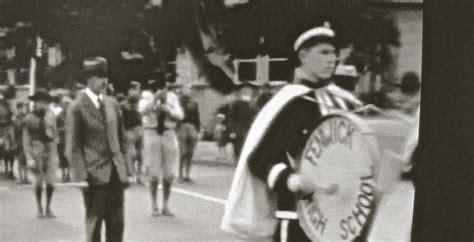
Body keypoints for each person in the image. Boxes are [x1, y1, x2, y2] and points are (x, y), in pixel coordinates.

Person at [221, 22, 363, 241]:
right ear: (303, 56)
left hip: (343, 221)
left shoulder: (345, 102)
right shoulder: (294, 103)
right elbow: (259, 160)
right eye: (324, 52)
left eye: (334, 53)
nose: (332, 58)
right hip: (300, 220)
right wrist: (290, 180)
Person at [66, 57, 131, 242]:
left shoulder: (112, 104)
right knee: (94, 225)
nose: (104, 81)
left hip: (116, 175)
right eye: (98, 76)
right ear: (88, 79)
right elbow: (74, 145)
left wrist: (126, 169)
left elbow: (122, 138)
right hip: (94, 176)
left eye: (106, 77)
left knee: (117, 224)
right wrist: (80, 176)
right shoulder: (76, 107)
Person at [139, 75, 183, 217]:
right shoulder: (146, 96)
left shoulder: (172, 97)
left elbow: (180, 115)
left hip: (168, 133)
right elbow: (142, 111)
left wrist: (168, 109)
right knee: (153, 173)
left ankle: (166, 205)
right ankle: (154, 205)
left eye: (163, 86)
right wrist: (154, 100)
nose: (161, 89)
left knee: (169, 174)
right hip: (152, 133)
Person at [23, 89, 59, 218]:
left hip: (50, 150)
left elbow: (54, 132)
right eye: (40, 101)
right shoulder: (29, 118)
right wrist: (28, 157)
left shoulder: (51, 115)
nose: (42, 104)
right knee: (38, 181)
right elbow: (26, 138)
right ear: (35, 103)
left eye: (45, 102)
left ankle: (48, 208)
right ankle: (39, 208)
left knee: (50, 182)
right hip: (36, 150)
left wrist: (55, 145)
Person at [225, 82, 258, 163]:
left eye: (248, 90)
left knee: (244, 150)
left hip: (247, 131)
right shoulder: (237, 104)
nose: (247, 92)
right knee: (239, 150)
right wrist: (232, 131)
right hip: (240, 131)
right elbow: (232, 118)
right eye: (245, 90)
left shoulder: (252, 104)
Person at [176, 84, 200, 182]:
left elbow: (197, 116)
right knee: (183, 152)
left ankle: (187, 174)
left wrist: (198, 128)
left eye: (189, 90)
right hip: (182, 126)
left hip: (192, 126)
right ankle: (180, 174)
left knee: (190, 152)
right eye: (186, 89)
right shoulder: (178, 102)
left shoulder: (194, 103)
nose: (188, 91)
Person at [122, 93, 143, 185]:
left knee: (132, 155)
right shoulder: (133, 113)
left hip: (132, 132)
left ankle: (133, 175)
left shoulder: (126, 112)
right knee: (136, 155)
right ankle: (137, 176)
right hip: (135, 132)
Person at [13, 102, 30, 184]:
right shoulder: (15, 119)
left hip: (25, 142)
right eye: (22, 108)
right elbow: (15, 130)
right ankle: (20, 178)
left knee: (25, 161)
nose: (23, 110)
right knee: (20, 160)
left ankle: (26, 177)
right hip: (19, 142)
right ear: (18, 108)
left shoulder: (25, 117)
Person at [57, 96, 72, 182]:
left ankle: (68, 174)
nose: (67, 106)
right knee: (62, 157)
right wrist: (63, 128)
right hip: (62, 139)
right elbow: (55, 128)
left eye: (68, 104)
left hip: (69, 139)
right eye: (65, 104)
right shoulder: (59, 116)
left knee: (69, 157)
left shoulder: (72, 115)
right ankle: (63, 173)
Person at [0, 99, 15, 179]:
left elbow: (12, 120)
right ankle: (7, 170)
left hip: (7, 129)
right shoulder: (8, 110)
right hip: (4, 129)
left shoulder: (8, 111)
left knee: (9, 150)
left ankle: (9, 170)